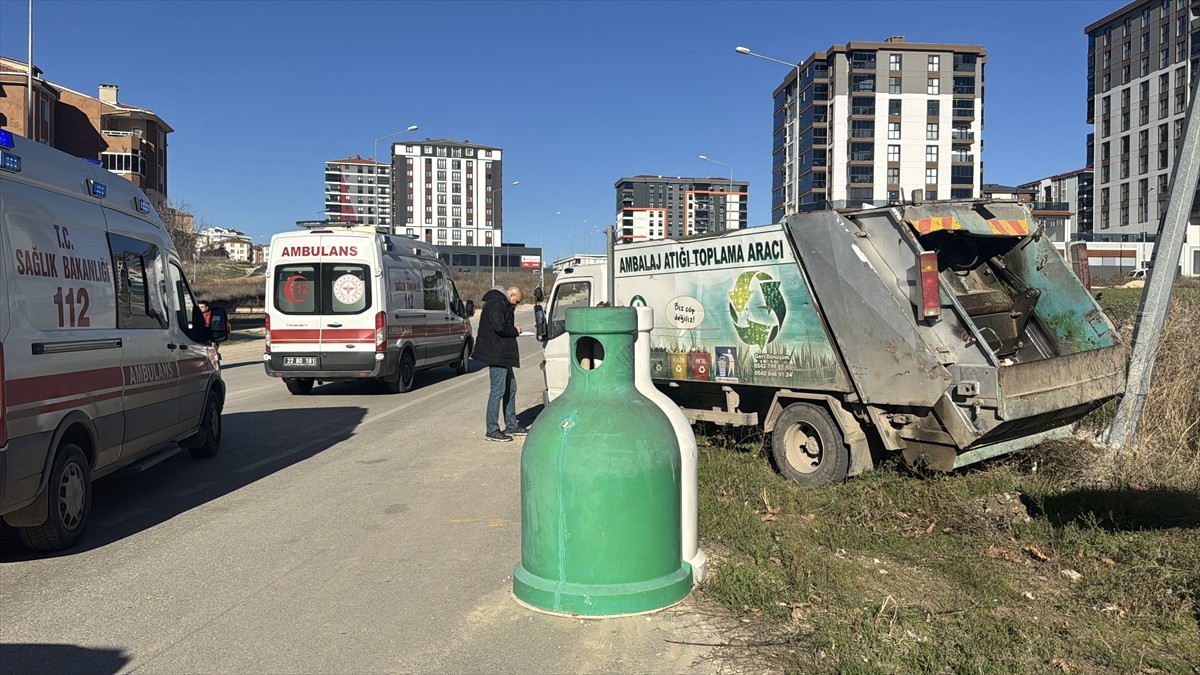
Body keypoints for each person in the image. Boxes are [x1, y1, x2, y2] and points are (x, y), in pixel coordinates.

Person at [473, 286, 527, 442]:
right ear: (511, 294)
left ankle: (511, 425)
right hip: (496, 353)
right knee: (497, 391)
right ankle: (492, 429)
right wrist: (515, 330)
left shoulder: (501, 304)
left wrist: (510, 310)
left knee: (511, 387)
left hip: (502, 353)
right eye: (515, 302)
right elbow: (500, 327)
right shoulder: (497, 304)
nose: (515, 305)